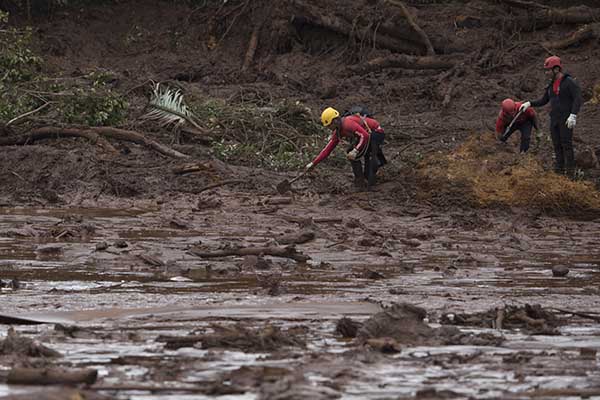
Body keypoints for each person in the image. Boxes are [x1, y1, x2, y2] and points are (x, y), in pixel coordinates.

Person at [519, 56, 582, 176]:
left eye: (549, 70)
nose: (547, 73)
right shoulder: (550, 86)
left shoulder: (569, 82)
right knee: (556, 145)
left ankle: (570, 173)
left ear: (556, 69)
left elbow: (577, 99)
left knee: (566, 145)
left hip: (566, 119)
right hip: (554, 119)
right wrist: (529, 103)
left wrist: (573, 115)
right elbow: (543, 100)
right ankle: (559, 172)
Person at [305, 107, 386, 189]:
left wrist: (356, 150)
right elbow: (327, 150)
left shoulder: (347, 124)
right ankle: (360, 180)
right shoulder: (338, 132)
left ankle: (369, 182)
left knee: (367, 156)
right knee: (352, 153)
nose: (329, 128)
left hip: (376, 133)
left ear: (335, 120)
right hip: (368, 135)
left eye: (329, 125)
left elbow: (364, 135)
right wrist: (313, 163)